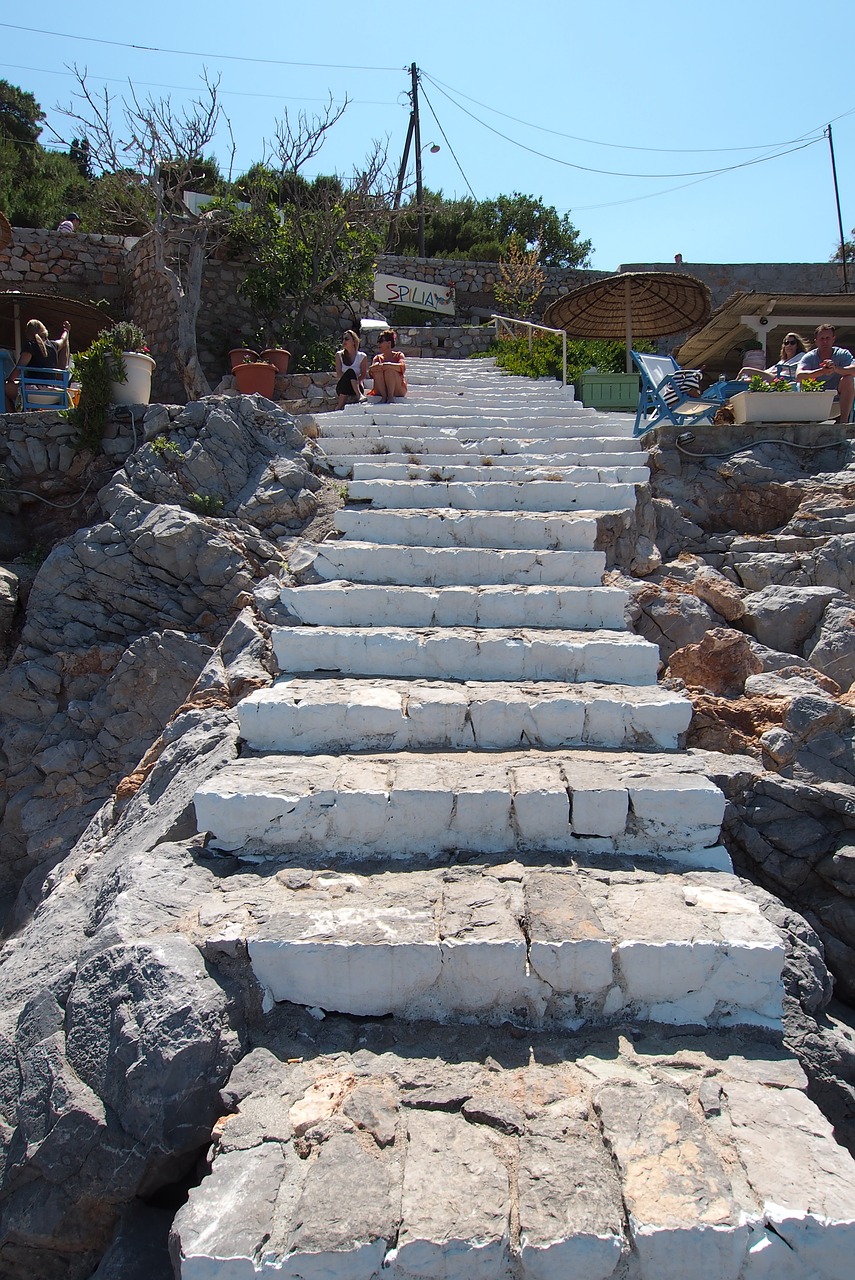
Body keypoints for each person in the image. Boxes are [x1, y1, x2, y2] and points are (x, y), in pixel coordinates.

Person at [4, 318, 71, 411]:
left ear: (28, 333)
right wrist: (66, 330)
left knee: (3, 388)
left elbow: (19, 368)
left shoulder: (30, 346)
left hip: (32, 393)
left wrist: (9, 380)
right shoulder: (54, 345)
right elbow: (63, 340)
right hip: (52, 393)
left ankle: (12, 415)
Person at [796, 323, 855, 424]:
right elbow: (798, 376)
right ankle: (808, 422)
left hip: (838, 398)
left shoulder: (842, 354)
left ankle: (844, 422)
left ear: (833, 339)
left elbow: (853, 370)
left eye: (828, 338)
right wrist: (821, 371)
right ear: (816, 341)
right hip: (816, 399)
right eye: (821, 338)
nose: (825, 341)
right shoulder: (809, 357)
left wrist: (835, 369)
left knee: (848, 379)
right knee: (803, 380)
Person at [736, 332, 808, 383]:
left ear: (797, 345)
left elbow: (798, 367)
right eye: (786, 343)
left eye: (792, 343)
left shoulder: (801, 356)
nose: (789, 345)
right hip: (774, 377)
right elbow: (770, 370)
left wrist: (779, 369)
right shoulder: (783, 361)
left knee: (745, 370)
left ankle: (733, 384)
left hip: (782, 379)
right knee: (747, 380)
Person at [369, 330, 407, 404]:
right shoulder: (377, 358)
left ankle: (390, 397)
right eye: (378, 341)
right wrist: (375, 367)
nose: (378, 344)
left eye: (381, 341)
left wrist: (388, 365)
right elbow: (371, 371)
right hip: (380, 389)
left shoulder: (399, 355)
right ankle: (384, 397)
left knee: (390, 371)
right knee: (377, 370)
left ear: (389, 343)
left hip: (397, 389)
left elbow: (402, 367)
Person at [334, 329, 368, 409]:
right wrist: (349, 379)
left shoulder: (362, 356)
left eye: (347, 339)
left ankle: (339, 406)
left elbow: (363, 375)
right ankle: (359, 396)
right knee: (350, 372)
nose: (344, 341)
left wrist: (355, 382)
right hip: (343, 386)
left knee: (351, 372)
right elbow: (339, 374)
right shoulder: (339, 355)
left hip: (357, 386)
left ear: (354, 341)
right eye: (343, 339)